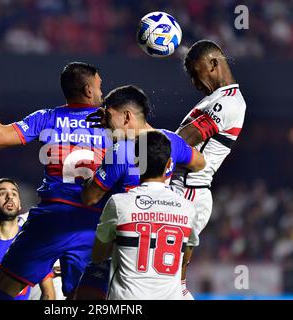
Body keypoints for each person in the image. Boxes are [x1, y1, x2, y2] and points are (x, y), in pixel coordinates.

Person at [0, 62, 111, 299]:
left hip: (50, 221)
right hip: (91, 225)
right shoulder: (109, 122)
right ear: (87, 90)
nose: (102, 93)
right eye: (99, 86)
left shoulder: (47, 118)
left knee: (2, 290)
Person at [76, 85, 205, 299]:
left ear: (127, 116)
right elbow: (200, 163)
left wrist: (89, 174)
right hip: (163, 252)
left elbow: (90, 197)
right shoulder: (170, 142)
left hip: (122, 248)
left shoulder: (122, 152)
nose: (106, 124)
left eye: (108, 117)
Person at [171, 40, 247, 299]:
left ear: (213, 63)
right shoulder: (215, 100)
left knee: (164, 282)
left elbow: (181, 142)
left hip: (187, 192)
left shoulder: (227, 103)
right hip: (183, 190)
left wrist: (136, 133)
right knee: (170, 284)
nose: (194, 81)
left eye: (196, 72)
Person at [91, 131, 196, 299]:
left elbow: (98, 255)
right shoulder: (187, 208)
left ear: (136, 162)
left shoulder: (119, 203)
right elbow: (187, 253)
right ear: (169, 164)